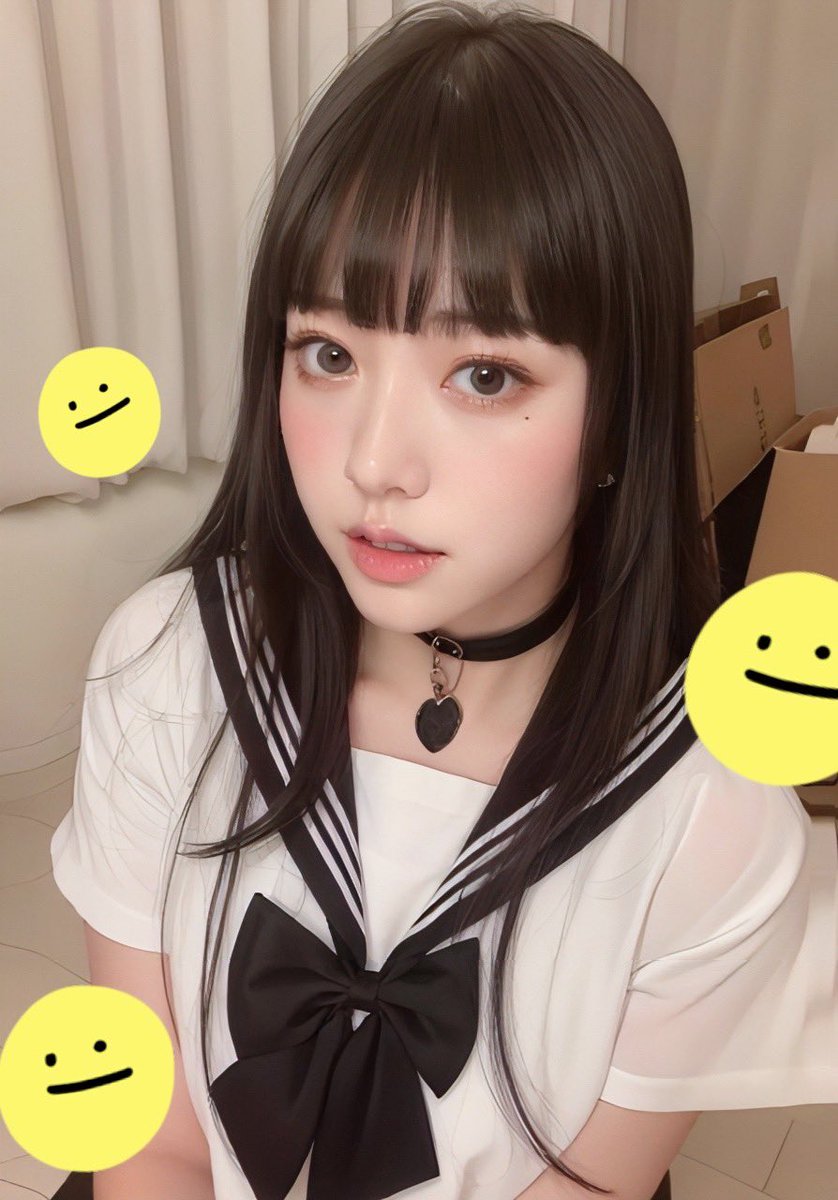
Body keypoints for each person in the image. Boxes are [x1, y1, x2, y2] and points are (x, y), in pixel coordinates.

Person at [50, 3, 837, 1199]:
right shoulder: (168, 668)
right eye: (328, 353)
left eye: (482, 373)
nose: (374, 462)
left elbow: (585, 1186)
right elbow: (148, 1135)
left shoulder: (711, 817)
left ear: (620, 413)